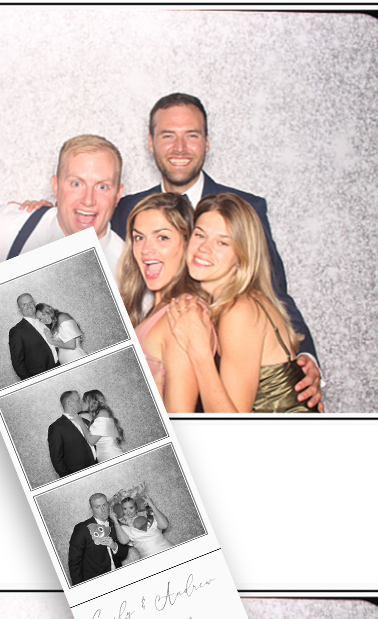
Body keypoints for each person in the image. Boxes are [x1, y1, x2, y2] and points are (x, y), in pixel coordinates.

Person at [111, 92, 321, 409]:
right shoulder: (126, 209)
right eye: (168, 136)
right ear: (151, 143)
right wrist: (43, 213)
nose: (179, 147)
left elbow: (275, 291)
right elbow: (86, 218)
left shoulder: (245, 210)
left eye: (191, 135)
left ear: (207, 142)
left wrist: (305, 360)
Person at [167, 193, 320, 413]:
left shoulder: (240, 311)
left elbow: (231, 429)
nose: (204, 248)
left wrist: (199, 351)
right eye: (200, 235)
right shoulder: (230, 303)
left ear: (242, 255)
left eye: (222, 242)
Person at [0, 135, 126, 277]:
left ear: (118, 195)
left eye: (102, 187)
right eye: (76, 184)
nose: (88, 200)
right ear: (56, 186)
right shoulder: (12, 225)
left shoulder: (129, 271)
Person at [119, 191, 202, 412]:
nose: (146, 250)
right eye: (139, 237)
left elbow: (181, 421)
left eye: (162, 237)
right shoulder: (159, 308)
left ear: (187, 242)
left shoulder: (182, 314)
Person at [68, 493, 129, 585]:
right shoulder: (82, 529)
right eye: (98, 507)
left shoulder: (115, 524)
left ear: (108, 505)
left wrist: (114, 546)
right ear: (91, 509)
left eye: (104, 505)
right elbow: (74, 562)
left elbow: (124, 553)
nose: (103, 510)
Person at [9, 292, 59, 380]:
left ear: (34, 303)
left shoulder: (45, 319)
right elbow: (17, 362)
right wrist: (32, 381)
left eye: (30, 302)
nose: (28, 306)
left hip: (61, 366)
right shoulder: (17, 331)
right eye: (24, 304)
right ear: (19, 309)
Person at [48, 391, 97, 478]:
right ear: (70, 403)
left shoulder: (86, 421)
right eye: (78, 400)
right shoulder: (56, 427)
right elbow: (57, 459)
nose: (81, 402)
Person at [115, 492, 172, 561]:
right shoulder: (124, 528)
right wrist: (115, 520)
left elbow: (164, 525)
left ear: (136, 508)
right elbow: (124, 541)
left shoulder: (150, 517)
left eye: (131, 508)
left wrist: (152, 506)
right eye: (125, 509)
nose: (128, 512)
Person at [78, 390, 125, 461]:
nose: (81, 403)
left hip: (112, 457)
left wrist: (81, 423)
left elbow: (91, 441)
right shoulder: (100, 414)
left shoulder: (102, 413)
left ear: (92, 402)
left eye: (84, 400)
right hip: (107, 457)